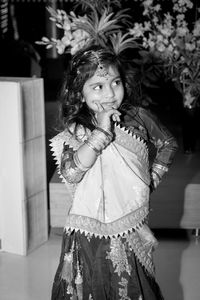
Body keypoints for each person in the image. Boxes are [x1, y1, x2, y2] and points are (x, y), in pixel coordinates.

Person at [50, 44, 178, 300]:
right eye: (98, 86)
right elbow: (72, 173)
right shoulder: (77, 130)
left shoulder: (138, 117)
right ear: (79, 93)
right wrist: (100, 134)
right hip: (87, 234)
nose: (110, 93)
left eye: (116, 82)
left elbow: (168, 144)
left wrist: (150, 180)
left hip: (129, 225)